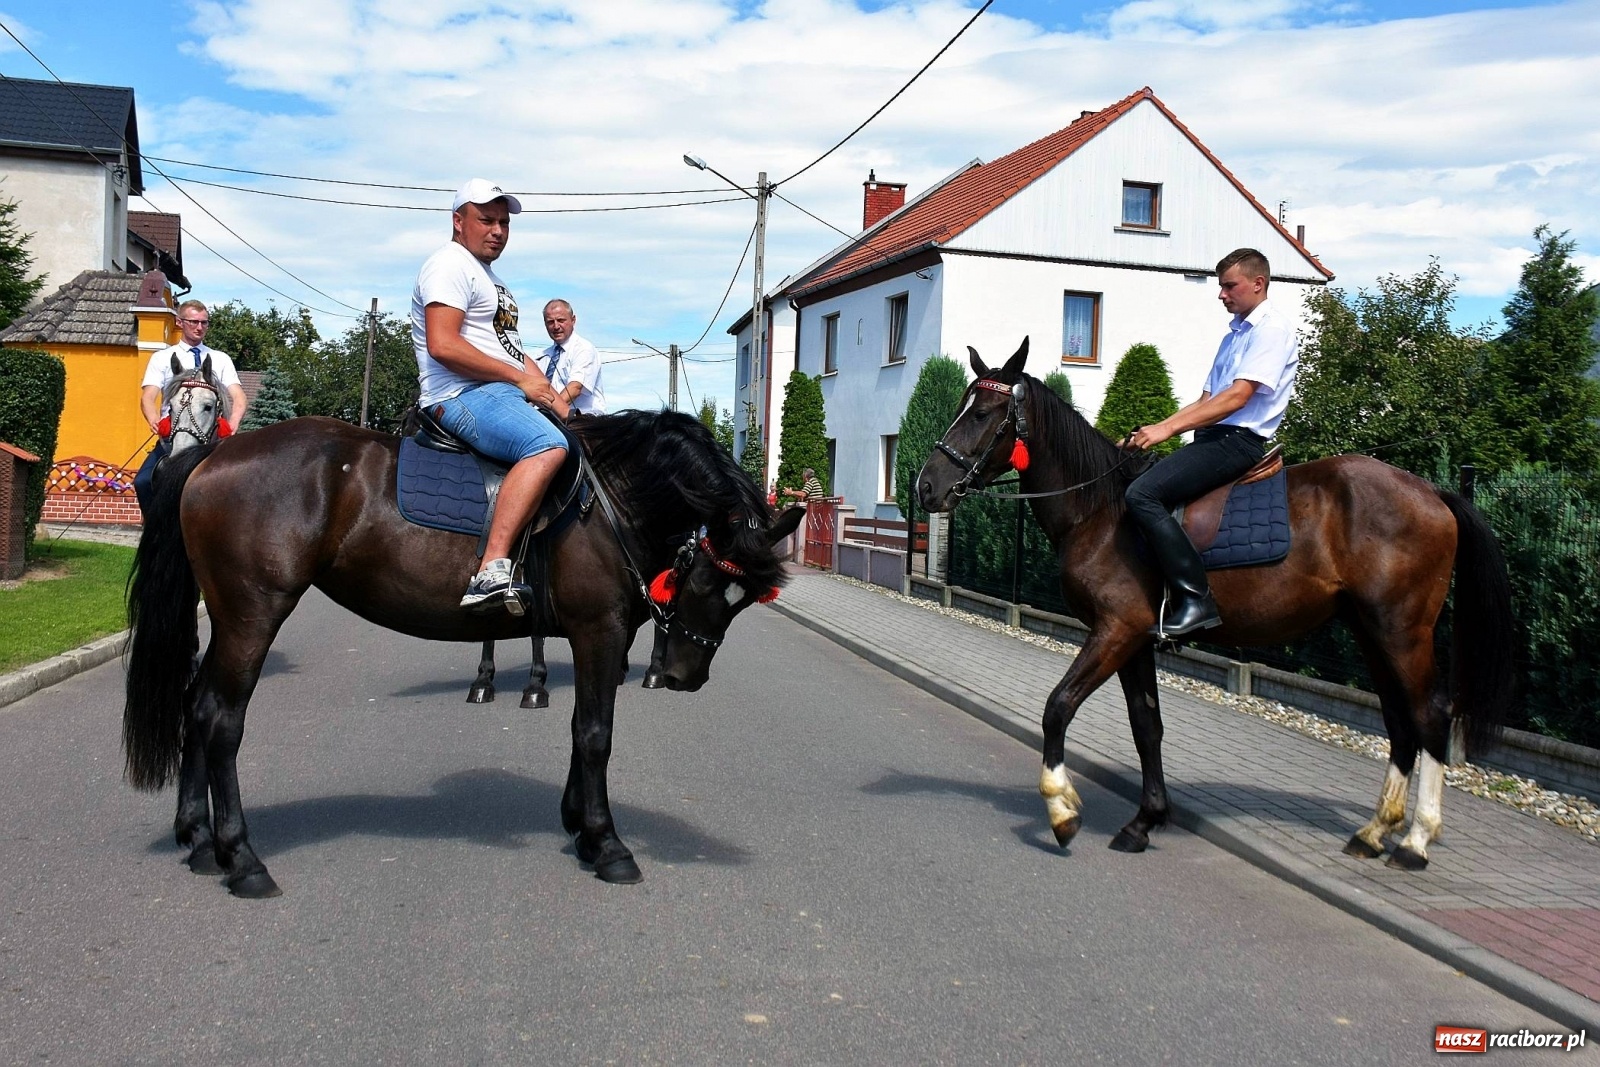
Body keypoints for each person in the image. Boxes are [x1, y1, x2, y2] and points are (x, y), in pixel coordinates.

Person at [411, 178, 570, 613]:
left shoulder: (490, 278)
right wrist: (519, 382)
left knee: (573, 437)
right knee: (546, 445)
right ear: (458, 221)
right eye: (486, 219)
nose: (497, 229)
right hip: (461, 393)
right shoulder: (448, 264)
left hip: (496, 390)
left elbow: (512, 350)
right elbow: (443, 345)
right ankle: (491, 568)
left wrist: (560, 403)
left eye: (504, 222)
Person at [1123, 247, 1298, 638]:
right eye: (1221, 287)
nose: (1222, 294)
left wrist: (1167, 431)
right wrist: (1154, 428)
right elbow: (1206, 401)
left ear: (1258, 283)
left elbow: (1237, 397)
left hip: (1239, 441)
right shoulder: (1234, 335)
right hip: (1214, 438)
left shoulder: (1272, 330)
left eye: (1229, 286)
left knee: (1142, 495)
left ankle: (1195, 599)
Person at [133, 299, 248, 514]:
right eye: (194, 322)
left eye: (204, 322)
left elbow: (239, 398)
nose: (200, 327)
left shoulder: (220, 359)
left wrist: (232, 425)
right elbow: (148, 397)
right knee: (142, 482)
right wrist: (154, 421)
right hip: (172, 439)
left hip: (212, 441)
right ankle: (153, 533)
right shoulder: (162, 358)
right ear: (179, 322)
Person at [539, 299, 606, 416]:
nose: (556, 326)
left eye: (561, 320)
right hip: (553, 421)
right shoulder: (542, 356)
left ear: (573, 320)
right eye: (550, 322)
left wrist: (546, 414)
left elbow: (575, 389)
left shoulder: (584, 349)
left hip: (585, 422)